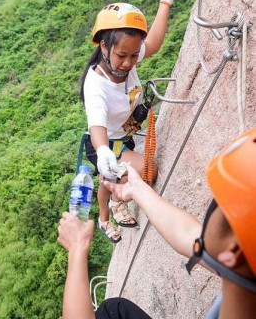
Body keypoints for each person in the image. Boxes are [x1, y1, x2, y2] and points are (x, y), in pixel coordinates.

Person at [58, 128, 256, 319]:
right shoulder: (246, 267)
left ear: (232, 254)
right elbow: (187, 233)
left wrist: (77, 247)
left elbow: (192, 236)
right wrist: (137, 190)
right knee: (113, 310)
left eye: (219, 205)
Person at [79, 0, 181, 243]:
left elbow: (155, 43)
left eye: (134, 56)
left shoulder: (128, 55)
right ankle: (105, 215)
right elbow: (97, 125)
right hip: (106, 142)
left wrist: (165, 2)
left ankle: (112, 202)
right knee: (142, 172)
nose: (128, 63)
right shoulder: (96, 85)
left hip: (123, 137)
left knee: (113, 177)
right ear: (103, 46)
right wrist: (102, 151)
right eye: (122, 55)